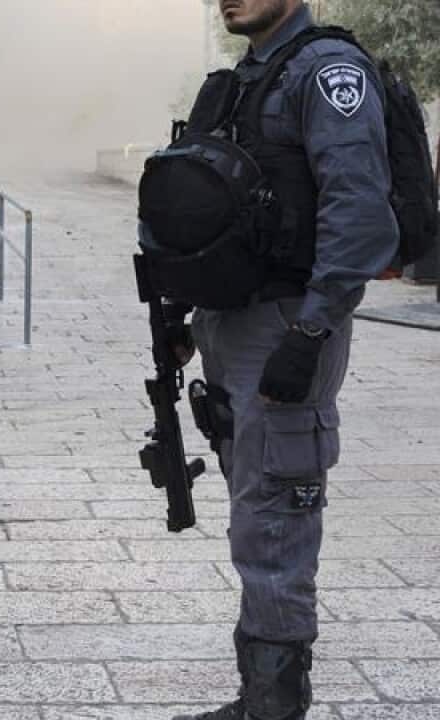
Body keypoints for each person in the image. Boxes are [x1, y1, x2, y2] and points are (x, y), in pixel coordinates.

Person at [158, 1, 400, 718]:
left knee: (275, 524)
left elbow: (359, 212)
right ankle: (258, 698)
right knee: (254, 514)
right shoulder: (246, 78)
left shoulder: (326, 72)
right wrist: (180, 318)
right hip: (231, 325)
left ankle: (274, 708)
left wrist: (313, 331)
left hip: (287, 328)